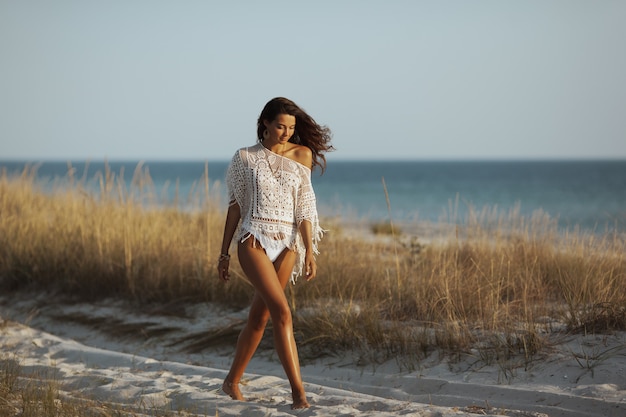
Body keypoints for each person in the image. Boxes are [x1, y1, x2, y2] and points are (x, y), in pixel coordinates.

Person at [217, 97, 333, 409]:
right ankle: (299, 394)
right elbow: (235, 207)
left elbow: (305, 207)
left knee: (260, 317)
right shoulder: (244, 158)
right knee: (283, 313)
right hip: (253, 238)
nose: (286, 132)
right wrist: (223, 252)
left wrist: (310, 250)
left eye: (291, 127)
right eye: (280, 125)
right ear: (265, 122)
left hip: (289, 244)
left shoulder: (302, 154)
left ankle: (231, 381)